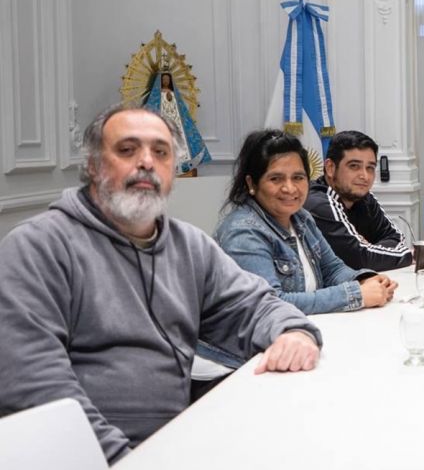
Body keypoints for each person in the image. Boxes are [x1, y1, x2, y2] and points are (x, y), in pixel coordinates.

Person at [0, 105, 322, 463]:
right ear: (92, 165)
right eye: (127, 150)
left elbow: (253, 305)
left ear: (173, 169)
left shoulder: (190, 246)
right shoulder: (37, 246)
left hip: (175, 441)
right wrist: (129, 460)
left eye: (161, 152)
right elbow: (35, 385)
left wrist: (293, 332)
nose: (147, 162)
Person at [212, 129, 398, 320]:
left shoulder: (301, 218)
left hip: (302, 332)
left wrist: (363, 279)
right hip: (254, 347)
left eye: (298, 178)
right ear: (252, 183)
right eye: (276, 179)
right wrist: (357, 294)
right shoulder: (242, 232)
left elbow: (332, 269)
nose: (290, 188)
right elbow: (270, 304)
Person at [304, 130, 412, 271]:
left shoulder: (363, 197)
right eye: (354, 166)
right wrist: (407, 255)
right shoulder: (319, 202)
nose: (365, 176)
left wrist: (368, 249)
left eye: (370, 168)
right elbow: (360, 259)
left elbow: (396, 238)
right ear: (330, 168)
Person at [143, 71, 211, 174]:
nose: (166, 81)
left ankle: (179, 163)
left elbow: (181, 110)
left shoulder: (174, 94)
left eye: (167, 79)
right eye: (164, 79)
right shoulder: (157, 97)